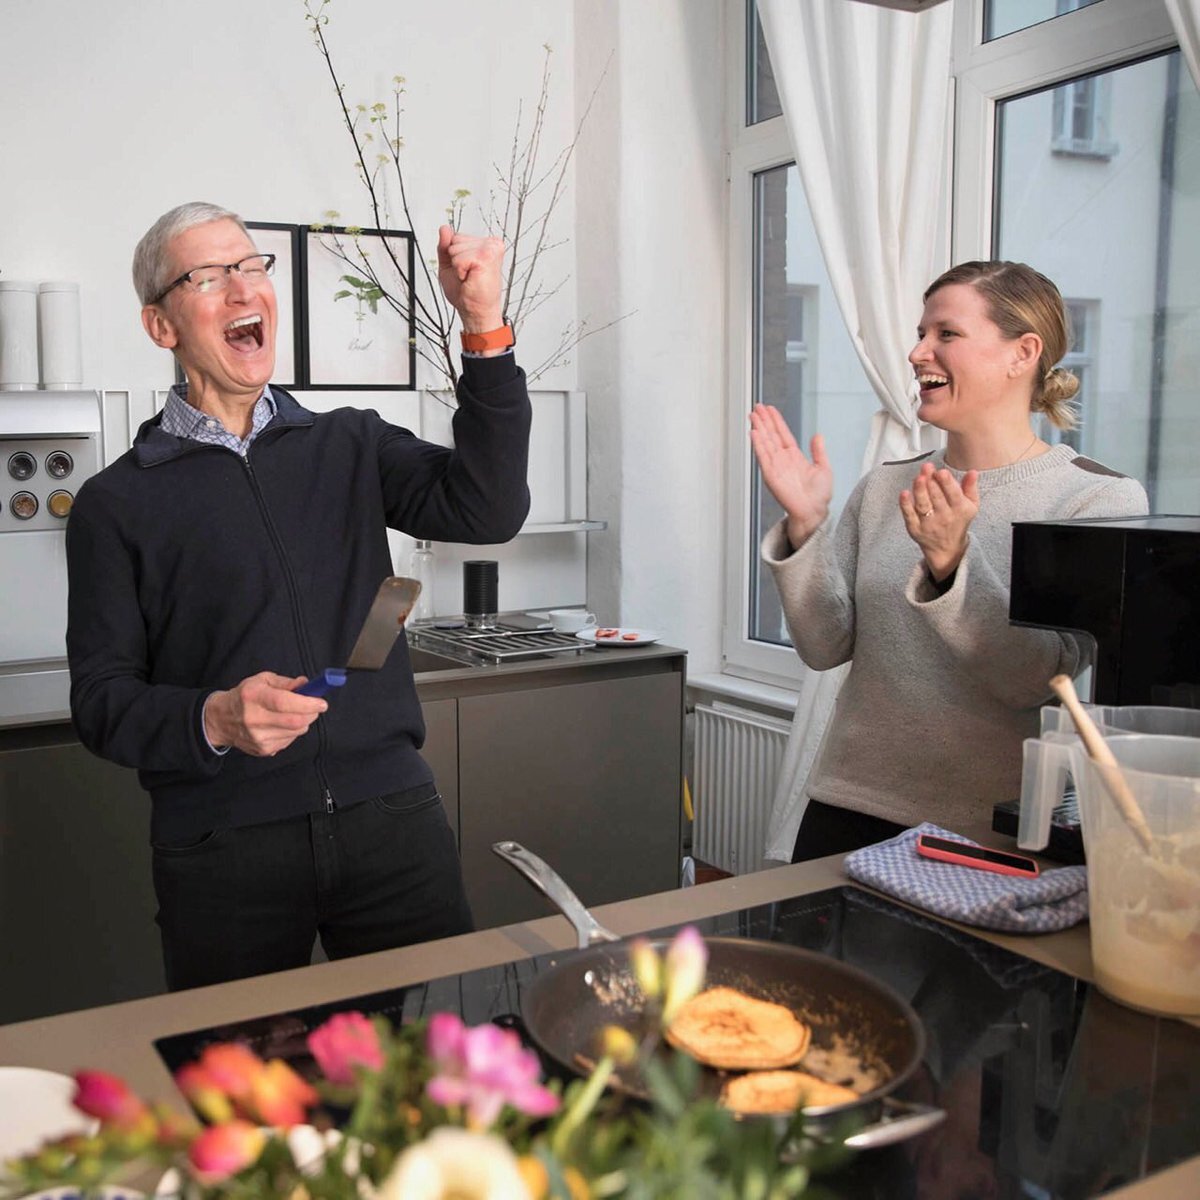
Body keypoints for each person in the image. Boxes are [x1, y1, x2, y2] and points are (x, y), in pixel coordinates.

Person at [66, 201, 531, 989]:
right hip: (222, 848)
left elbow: (488, 509)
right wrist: (211, 717)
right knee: (243, 1094)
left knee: (444, 1065)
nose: (244, 289)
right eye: (209, 277)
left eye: (252, 267)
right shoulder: (117, 503)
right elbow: (102, 701)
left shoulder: (351, 443)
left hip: (391, 820)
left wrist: (483, 326)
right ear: (161, 326)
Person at [750, 260, 1149, 863]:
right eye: (920, 333)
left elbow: (1033, 682)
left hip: (984, 831)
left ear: (1023, 352)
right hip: (846, 806)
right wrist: (806, 527)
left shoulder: (1096, 500)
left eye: (946, 334)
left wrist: (951, 563)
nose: (917, 353)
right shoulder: (885, 487)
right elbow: (825, 646)